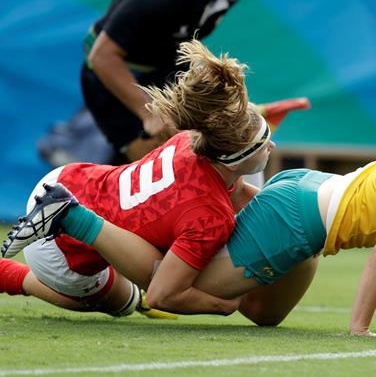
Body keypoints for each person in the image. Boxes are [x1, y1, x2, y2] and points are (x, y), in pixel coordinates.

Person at [3, 95, 376, 333]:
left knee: (261, 318)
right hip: (301, 214)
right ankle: (51, 237)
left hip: (310, 223)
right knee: (163, 291)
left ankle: (243, 167)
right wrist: (359, 329)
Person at [0, 39, 275, 318]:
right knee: (121, 302)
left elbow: (239, 191)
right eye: (264, 143)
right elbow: (163, 294)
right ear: (234, 157)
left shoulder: (189, 140)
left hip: (69, 179)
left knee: (153, 248)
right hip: (60, 244)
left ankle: (72, 219)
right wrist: (223, 305)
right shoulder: (212, 218)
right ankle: (8, 271)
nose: (272, 147)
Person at [82, 0, 252, 163]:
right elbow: (102, 56)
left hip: (163, 64)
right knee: (148, 165)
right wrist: (149, 112)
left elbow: (184, 37)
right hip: (115, 71)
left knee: (197, 146)